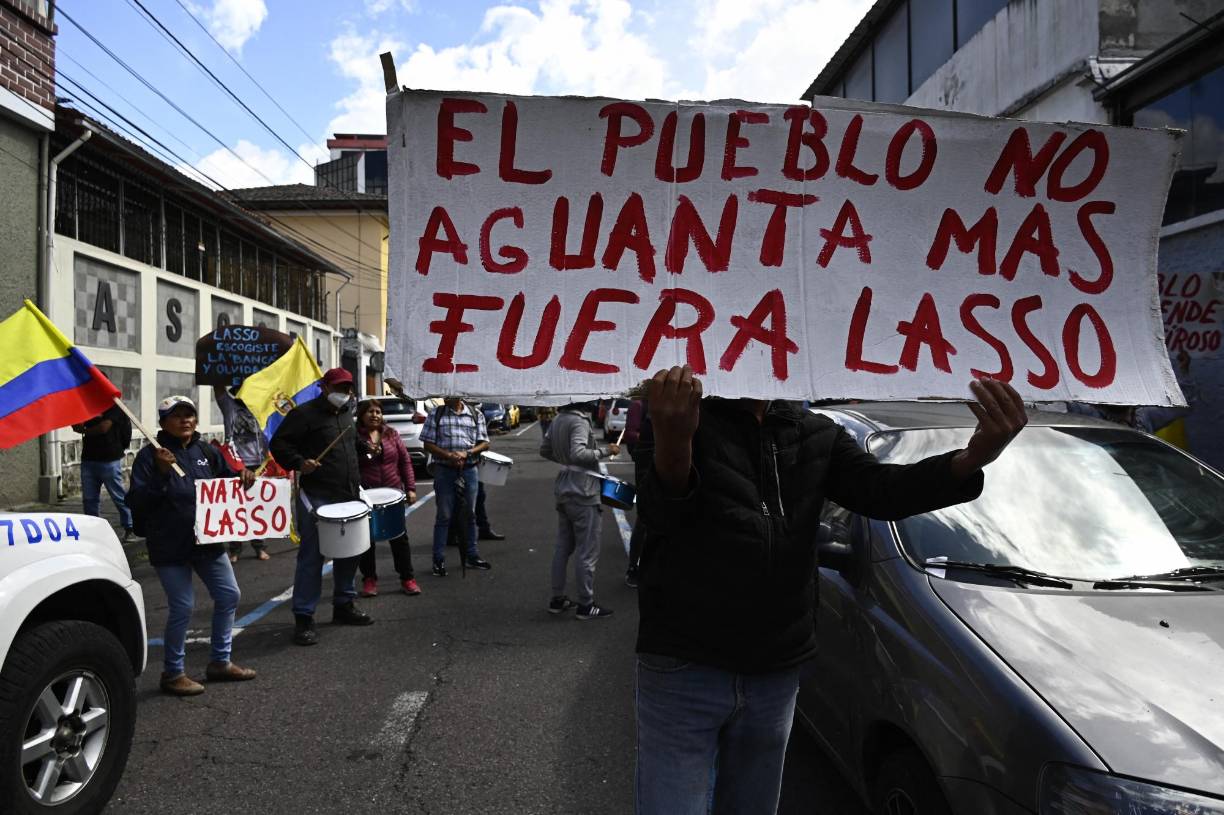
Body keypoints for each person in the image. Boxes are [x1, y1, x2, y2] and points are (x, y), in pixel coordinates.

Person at [632, 366, 1028, 815]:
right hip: (685, 663)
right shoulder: (675, 414)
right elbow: (661, 518)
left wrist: (972, 458)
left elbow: (882, 491)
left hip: (776, 669)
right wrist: (674, 442)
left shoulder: (816, 432)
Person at [127, 396, 258, 696]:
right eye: (177, 415)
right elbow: (136, 501)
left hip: (207, 541)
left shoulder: (206, 451)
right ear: (163, 423)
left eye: (189, 414)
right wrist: (161, 474)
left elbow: (226, 483)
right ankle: (173, 673)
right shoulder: (149, 457)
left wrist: (243, 476)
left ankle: (220, 662)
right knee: (183, 606)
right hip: (169, 543)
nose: (185, 420)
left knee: (229, 594)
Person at [269, 367, 374, 646]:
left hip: (348, 494)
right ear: (324, 388)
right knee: (312, 557)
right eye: (339, 388)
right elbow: (279, 444)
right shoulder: (303, 414)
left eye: (348, 388)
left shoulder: (347, 413)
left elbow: (350, 441)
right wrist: (299, 462)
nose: (345, 393)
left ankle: (344, 604)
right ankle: (304, 617)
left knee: (350, 551)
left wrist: (365, 447)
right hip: (318, 496)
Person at [539, 401, 618, 620]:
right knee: (587, 551)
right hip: (583, 491)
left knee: (562, 548)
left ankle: (557, 599)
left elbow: (545, 450)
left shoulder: (557, 419)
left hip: (564, 487)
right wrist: (606, 450)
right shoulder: (579, 421)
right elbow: (578, 453)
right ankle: (586, 604)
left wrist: (565, 461)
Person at [354, 399, 422, 597]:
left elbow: (405, 462)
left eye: (378, 412)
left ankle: (407, 578)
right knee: (366, 540)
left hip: (393, 494)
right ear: (361, 415)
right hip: (366, 496)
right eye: (370, 412)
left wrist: (410, 488)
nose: (375, 415)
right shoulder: (354, 437)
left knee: (399, 538)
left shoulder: (392, 434)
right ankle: (369, 580)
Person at [420, 397, 493, 575]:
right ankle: (438, 560)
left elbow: (484, 443)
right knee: (444, 516)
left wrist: (467, 453)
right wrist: (449, 455)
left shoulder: (475, 414)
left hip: (469, 470)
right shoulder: (436, 414)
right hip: (444, 471)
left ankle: (472, 555)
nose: (446, 396)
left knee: (470, 514)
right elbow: (427, 443)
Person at [213, 385, 271, 562]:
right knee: (235, 507)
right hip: (235, 464)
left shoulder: (263, 407)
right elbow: (218, 387)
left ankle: (259, 547)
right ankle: (235, 549)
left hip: (259, 465)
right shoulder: (230, 406)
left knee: (257, 508)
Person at [72, 403, 135, 541]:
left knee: (118, 496)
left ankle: (130, 527)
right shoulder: (86, 405)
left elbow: (104, 427)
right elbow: (76, 425)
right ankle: (94, 531)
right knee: (89, 499)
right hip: (89, 458)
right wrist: (80, 425)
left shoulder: (113, 405)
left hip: (110, 458)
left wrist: (84, 429)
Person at [622, 397, 646, 588]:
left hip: (670, 464)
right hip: (646, 467)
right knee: (644, 518)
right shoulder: (639, 405)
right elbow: (630, 434)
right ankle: (633, 567)